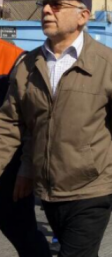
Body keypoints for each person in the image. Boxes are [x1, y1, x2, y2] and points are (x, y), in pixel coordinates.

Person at [0, 0, 112, 256]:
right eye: (44, 4)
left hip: (92, 188)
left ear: (83, 16)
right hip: (48, 190)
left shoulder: (107, 64)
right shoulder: (28, 65)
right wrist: (25, 170)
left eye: (56, 4)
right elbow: (11, 125)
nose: (46, 10)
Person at [0, 39, 52, 257]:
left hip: (9, 171)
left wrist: (26, 169)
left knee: (23, 233)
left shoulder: (16, 58)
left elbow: (31, 122)